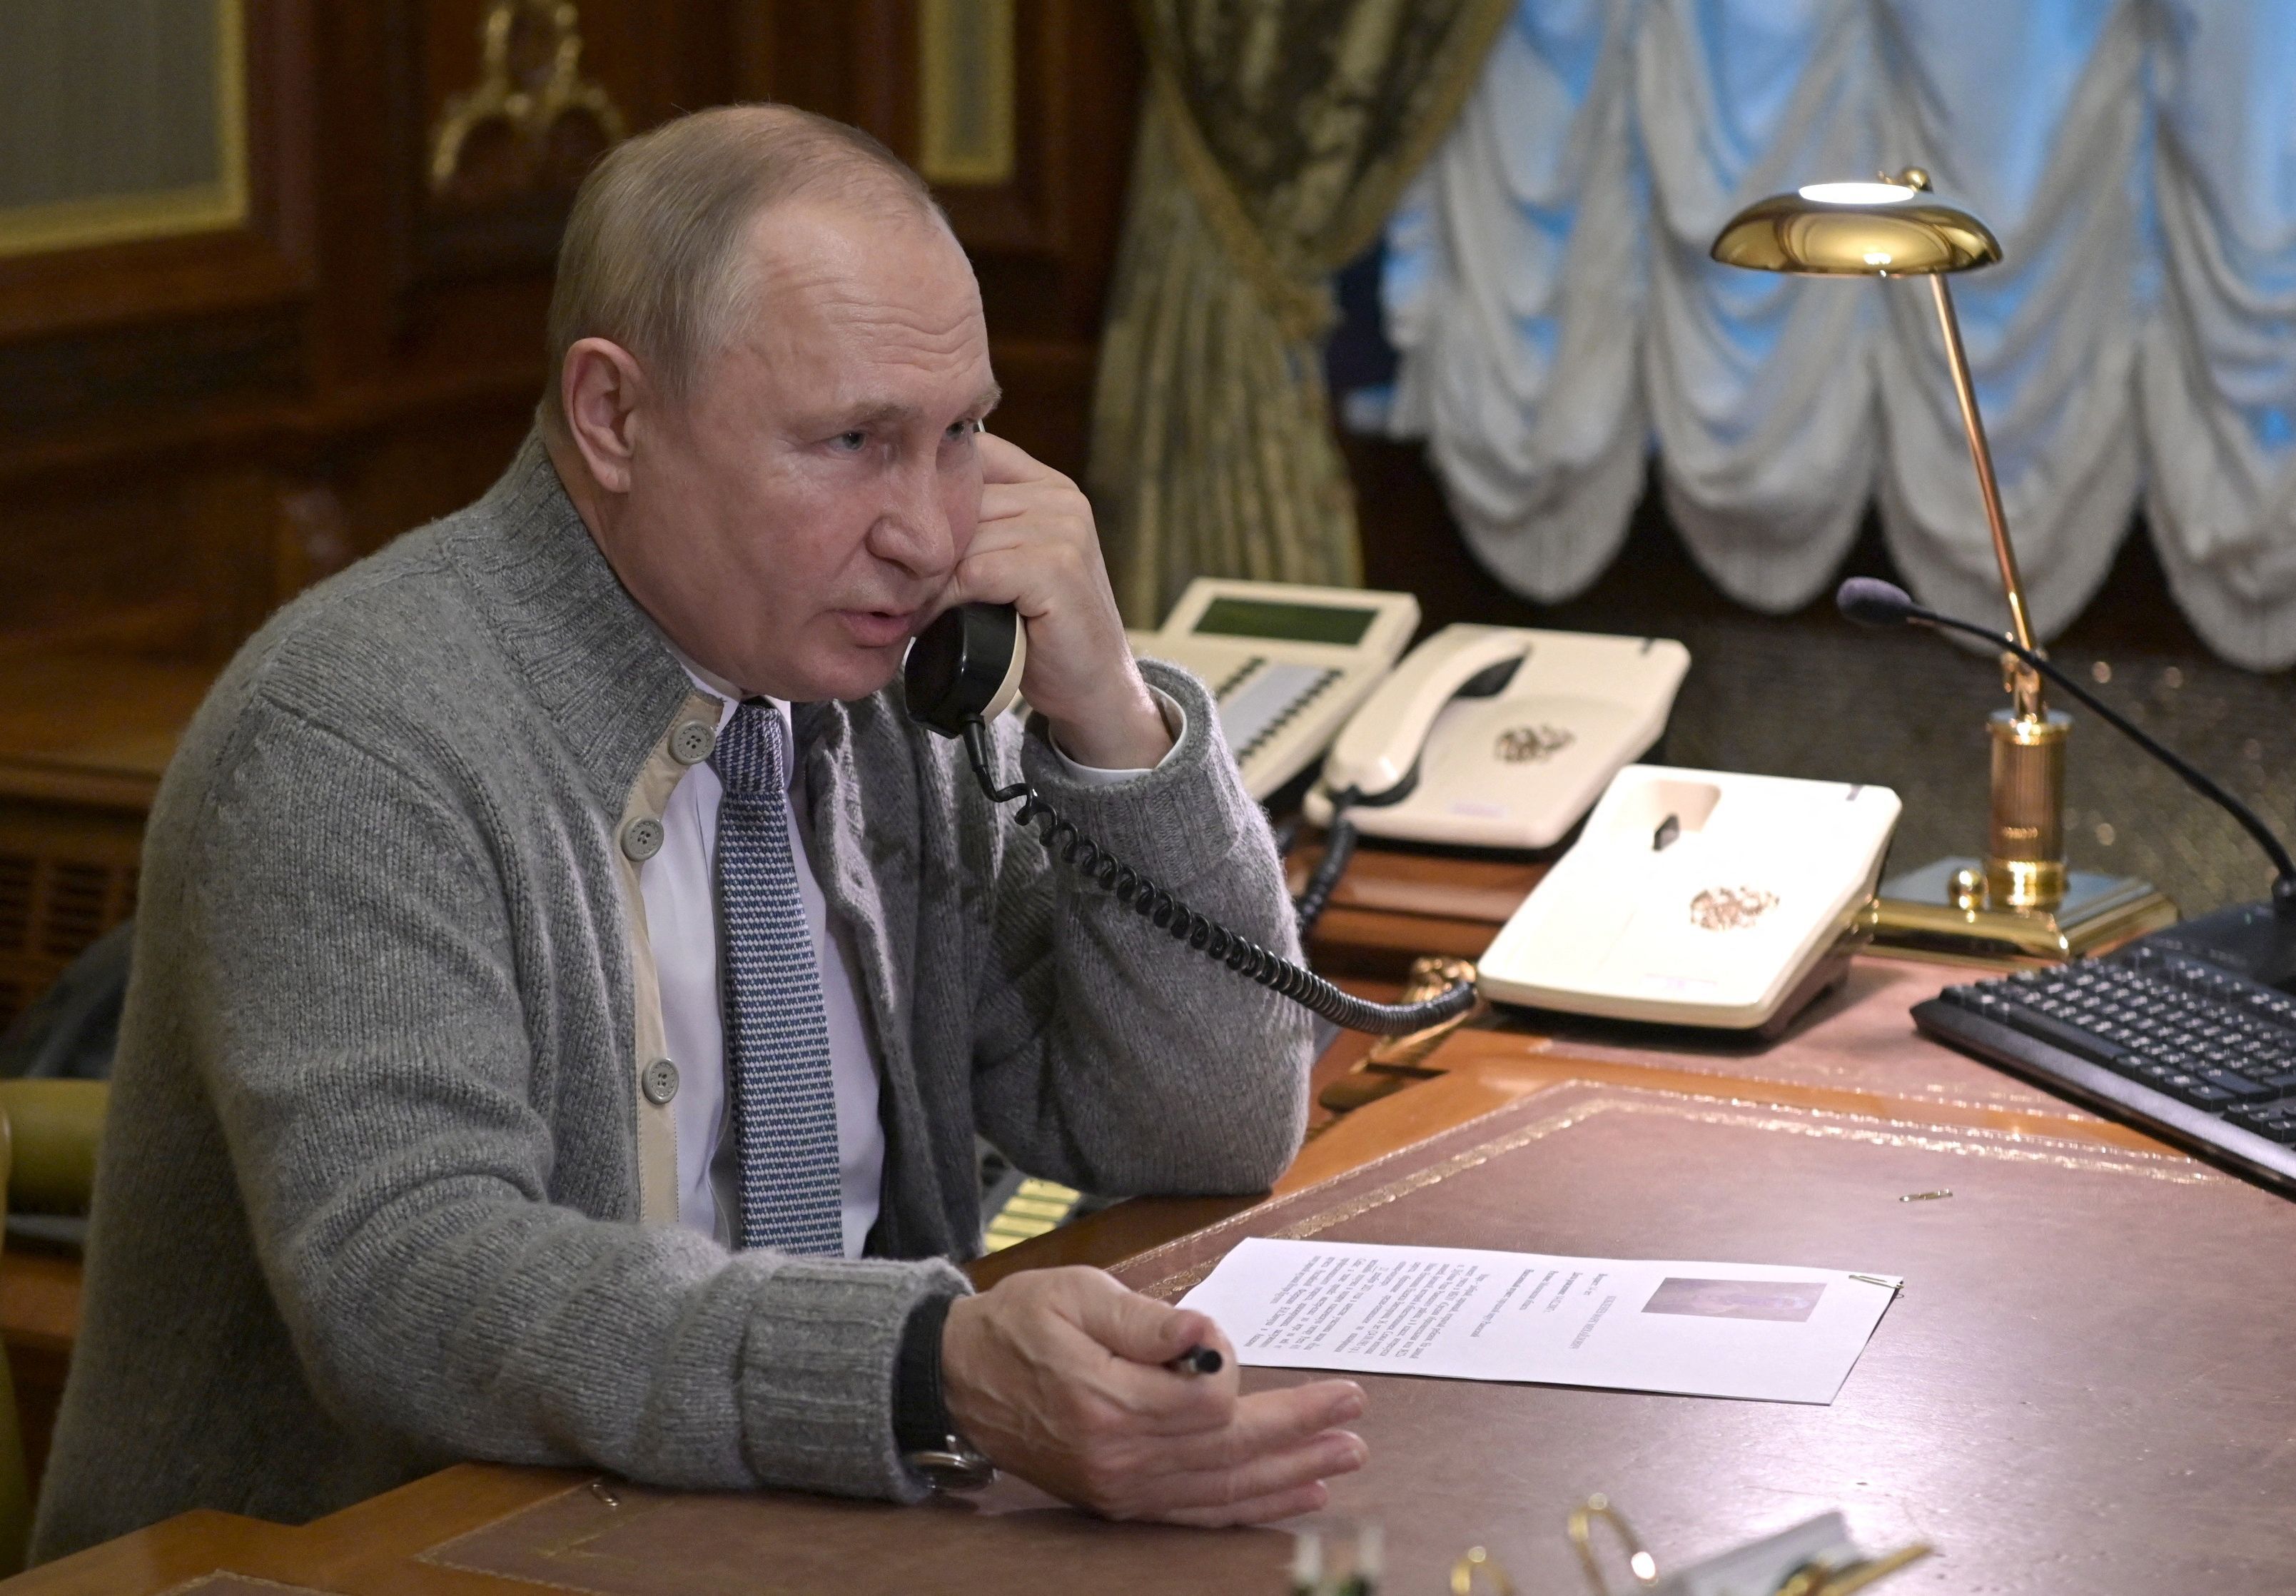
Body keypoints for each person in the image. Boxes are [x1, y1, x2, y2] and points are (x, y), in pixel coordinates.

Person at [31, 106, 1369, 1561]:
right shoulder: (357, 733)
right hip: (387, 1554)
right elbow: (411, 1283)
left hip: (813, 1520)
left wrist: (1113, 714)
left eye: (963, 435)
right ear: (612, 416)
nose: (930, 531)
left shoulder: (879, 688)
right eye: (854, 440)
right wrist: (921, 1363)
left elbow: (1205, 1125)